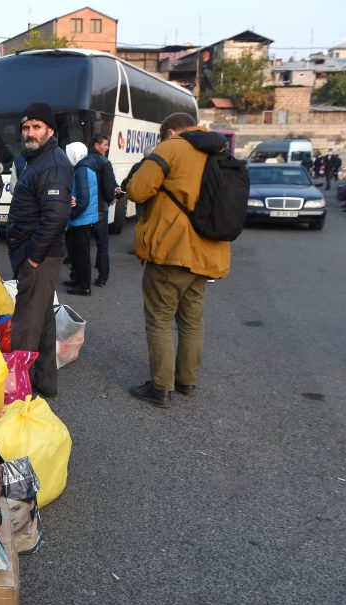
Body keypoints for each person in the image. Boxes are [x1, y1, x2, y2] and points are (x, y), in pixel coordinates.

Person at [125, 112, 231, 409]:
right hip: (207, 252)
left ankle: (160, 387)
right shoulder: (219, 150)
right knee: (192, 320)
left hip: (172, 250)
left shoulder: (172, 147)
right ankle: (187, 381)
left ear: (170, 131)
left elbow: (136, 189)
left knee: (159, 319)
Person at [6, 101, 72, 398]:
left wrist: (32, 257)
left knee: (25, 327)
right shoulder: (38, 160)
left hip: (39, 257)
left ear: (50, 130)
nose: (29, 133)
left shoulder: (53, 163)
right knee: (42, 320)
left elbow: (56, 216)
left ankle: (22, 396)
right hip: (36, 255)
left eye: (36, 127)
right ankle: (45, 383)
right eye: (26, 127)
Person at [80, 134, 118, 287]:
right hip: (100, 210)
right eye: (105, 144)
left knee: (83, 246)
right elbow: (110, 188)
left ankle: (81, 278)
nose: (107, 148)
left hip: (84, 209)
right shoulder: (105, 162)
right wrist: (113, 198)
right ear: (97, 145)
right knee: (102, 245)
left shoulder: (82, 161)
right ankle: (102, 277)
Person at [62, 142, 98, 296]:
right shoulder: (85, 167)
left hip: (81, 219)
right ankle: (78, 280)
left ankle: (84, 286)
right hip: (83, 217)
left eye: (68, 153)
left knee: (81, 254)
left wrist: (71, 214)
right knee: (76, 252)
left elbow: (83, 199)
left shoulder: (81, 170)